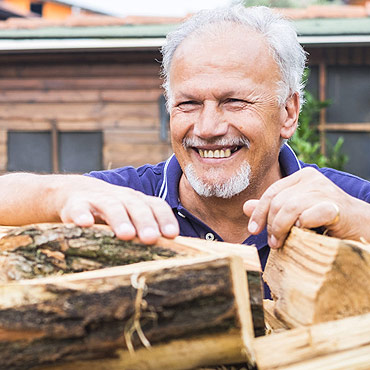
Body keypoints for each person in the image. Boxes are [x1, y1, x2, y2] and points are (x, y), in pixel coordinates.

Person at [0, 5, 369, 297]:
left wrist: (359, 222)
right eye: (188, 104)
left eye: (234, 101)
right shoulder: (128, 202)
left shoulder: (346, 204)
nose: (207, 128)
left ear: (288, 113)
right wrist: (60, 193)